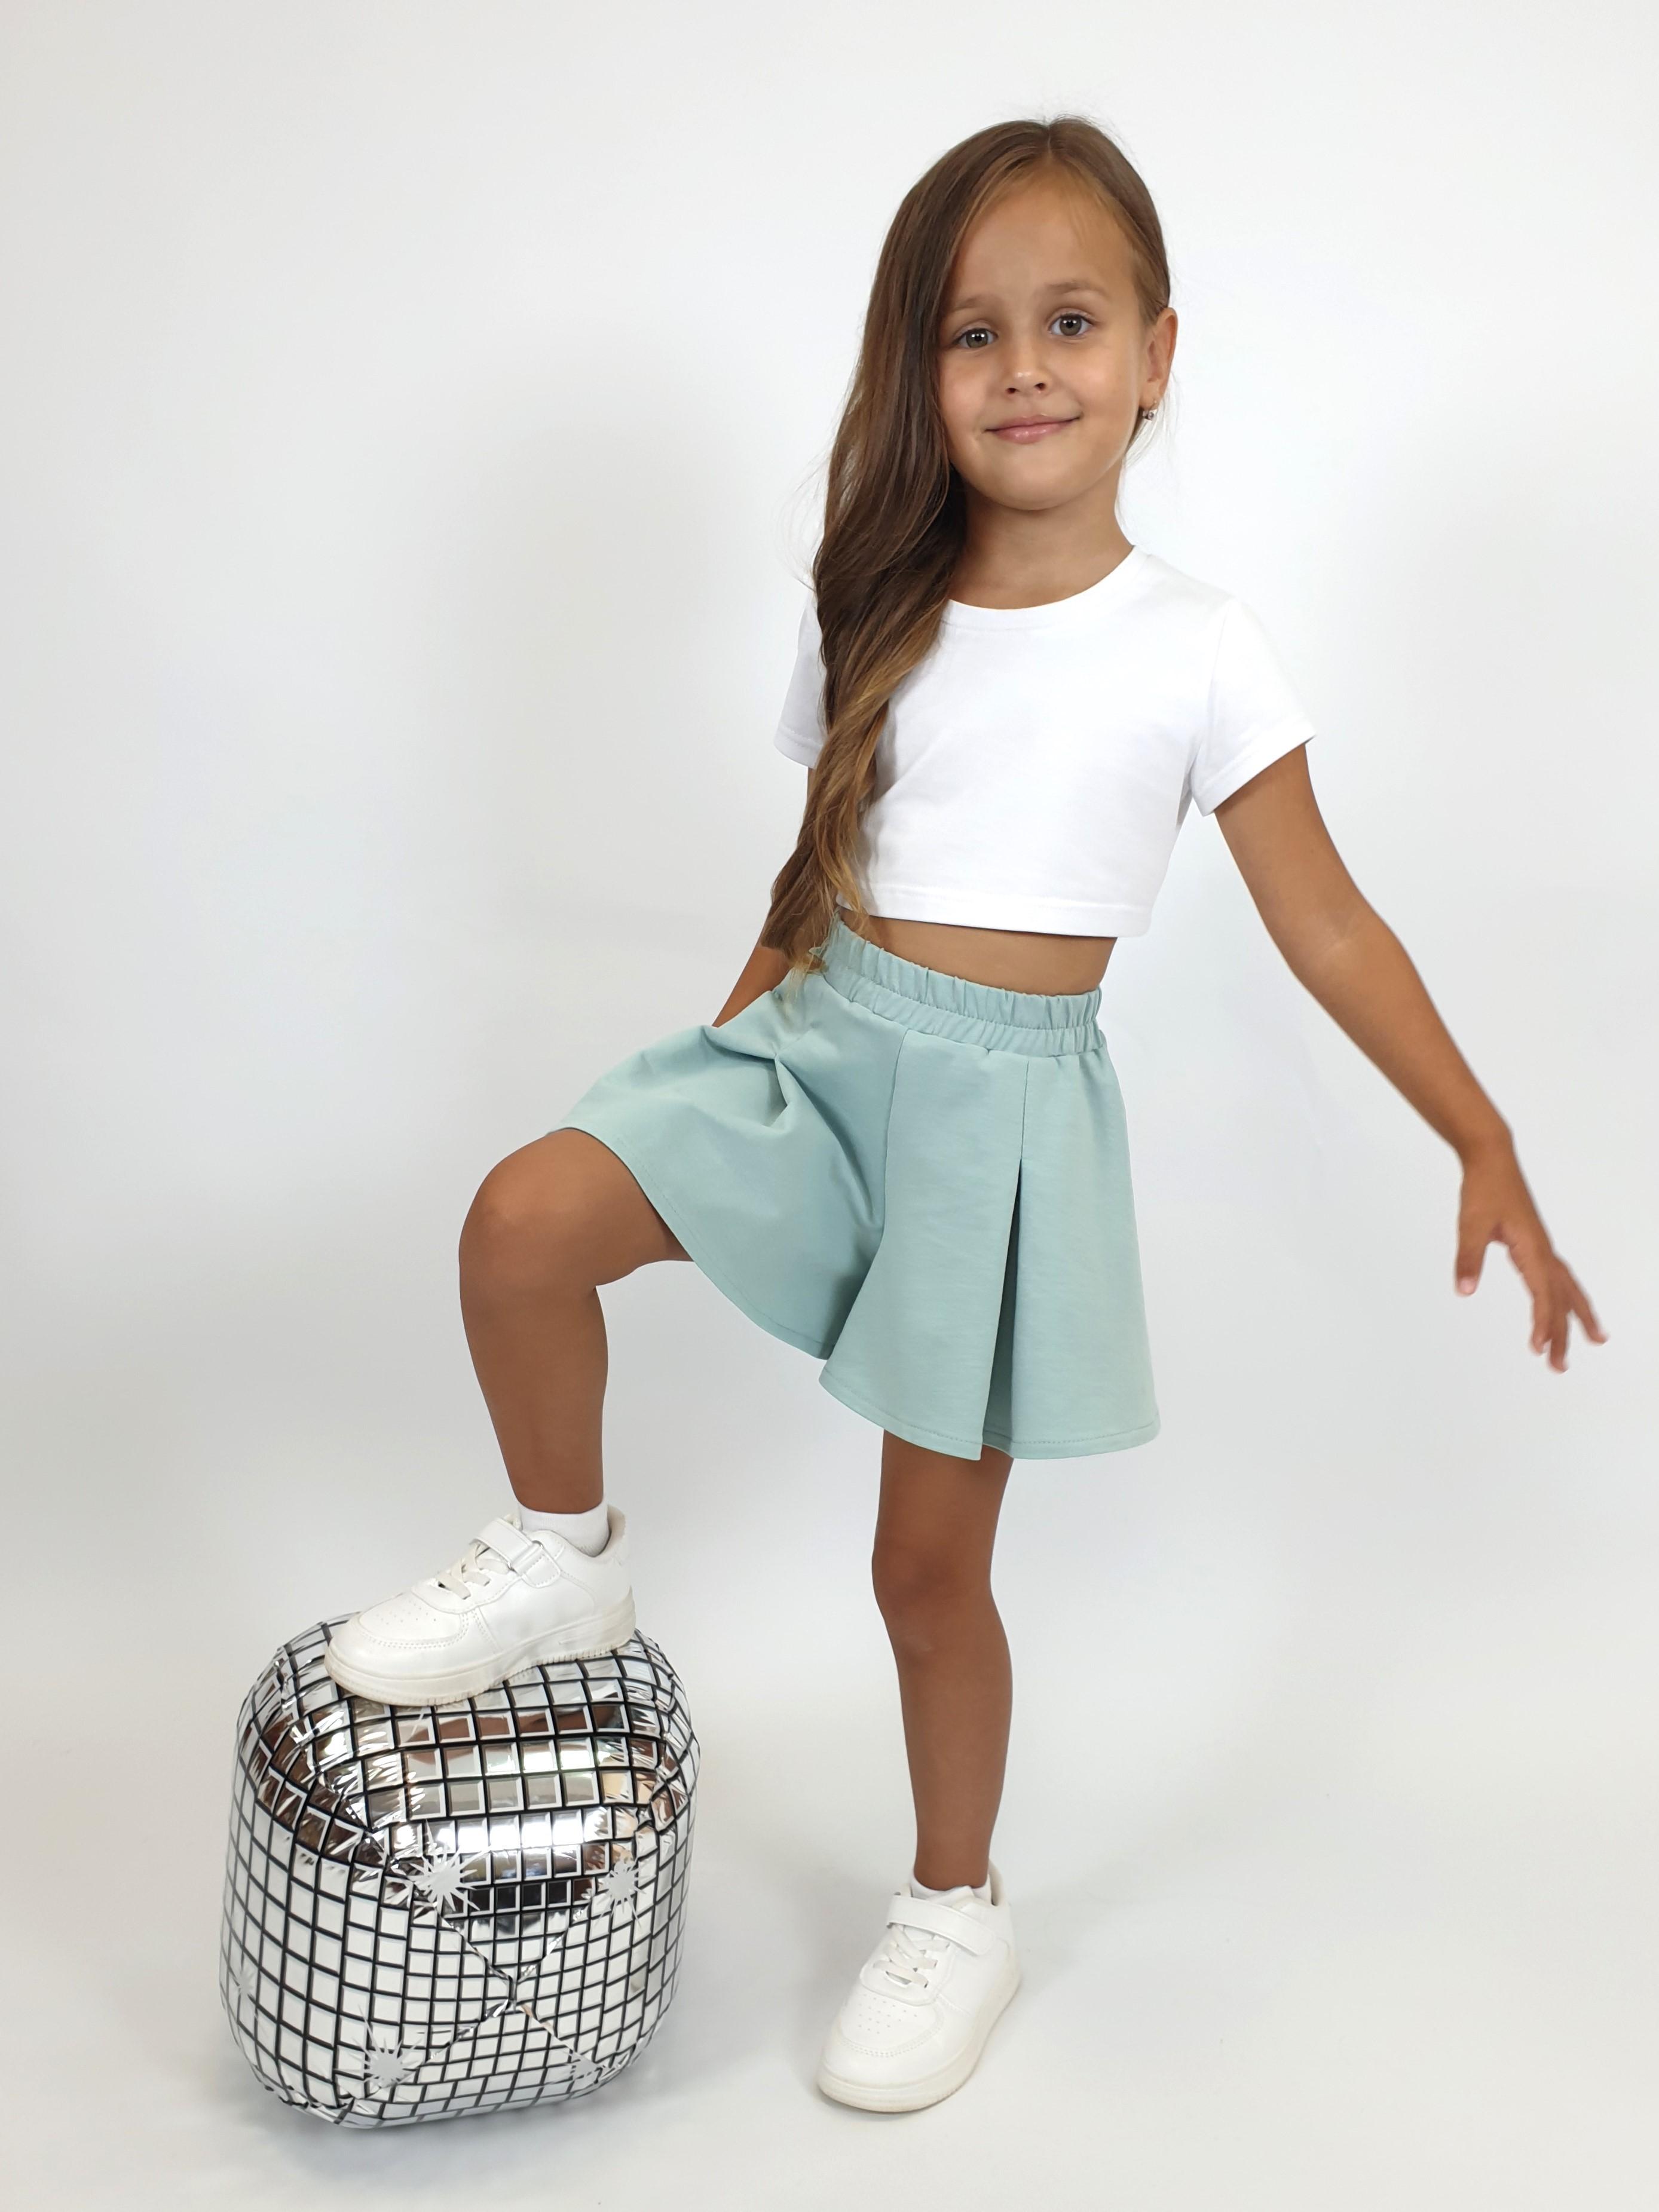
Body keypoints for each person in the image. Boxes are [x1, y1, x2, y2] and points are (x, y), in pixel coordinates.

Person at [321, 115, 1608, 2112]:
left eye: (1070, 323)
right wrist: (707, 1091)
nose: (1024, 369)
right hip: (818, 1048)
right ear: (918, 371)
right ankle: (564, 1544)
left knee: (923, 1574)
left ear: (1156, 355)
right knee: (523, 1219)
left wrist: (1484, 1136)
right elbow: (814, 869)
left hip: (999, 1134)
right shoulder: (875, 609)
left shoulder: (1197, 645)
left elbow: (1330, 923)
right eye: (972, 332)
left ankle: (954, 1906)